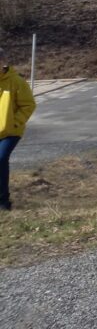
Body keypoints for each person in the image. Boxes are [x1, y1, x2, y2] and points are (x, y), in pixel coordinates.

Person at [0, 47, 36, 211]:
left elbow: (28, 105)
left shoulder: (16, 81)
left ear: (3, 62)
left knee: (1, 159)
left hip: (11, 132)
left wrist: (14, 122)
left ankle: (3, 201)